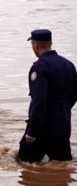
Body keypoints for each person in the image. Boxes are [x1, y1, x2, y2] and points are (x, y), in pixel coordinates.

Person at [18, 29, 77, 163]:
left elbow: (39, 100)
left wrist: (32, 131)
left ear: (36, 45)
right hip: (63, 124)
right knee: (62, 165)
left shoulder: (39, 67)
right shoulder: (68, 65)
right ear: (50, 43)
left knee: (24, 164)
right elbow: (74, 94)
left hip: (43, 127)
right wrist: (62, 109)